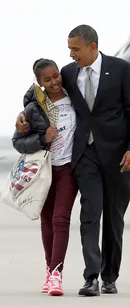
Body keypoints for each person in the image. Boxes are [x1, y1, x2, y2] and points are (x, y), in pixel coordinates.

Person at [15, 25, 130, 296]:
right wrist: (23, 116)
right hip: (85, 156)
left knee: (113, 217)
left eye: (75, 49)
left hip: (119, 156)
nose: (71, 54)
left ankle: (110, 275)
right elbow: (41, 95)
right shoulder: (68, 73)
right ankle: (91, 277)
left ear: (92, 46)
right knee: (89, 215)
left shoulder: (121, 68)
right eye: (69, 49)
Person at [12, 59, 78, 296]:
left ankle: (57, 274)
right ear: (38, 82)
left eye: (56, 76)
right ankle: (49, 271)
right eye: (47, 79)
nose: (54, 82)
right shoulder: (34, 109)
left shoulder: (75, 98)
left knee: (61, 220)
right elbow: (17, 142)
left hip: (68, 169)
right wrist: (43, 140)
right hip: (44, 171)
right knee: (47, 222)